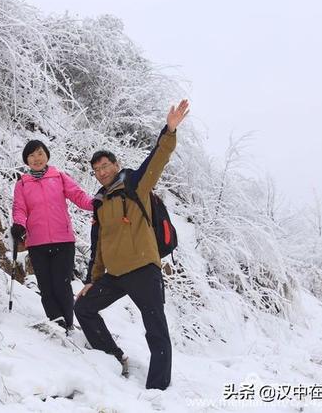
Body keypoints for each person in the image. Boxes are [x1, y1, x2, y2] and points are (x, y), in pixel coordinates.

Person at [74, 99, 189, 390]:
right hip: (115, 275)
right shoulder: (99, 203)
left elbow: (157, 158)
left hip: (143, 269)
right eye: (96, 169)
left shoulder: (136, 184)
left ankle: (157, 389)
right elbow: (98, 246)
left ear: (116, 165)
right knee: (84, 307)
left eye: (105, 165)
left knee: (156, 330)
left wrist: (170, 130)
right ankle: (113, 357)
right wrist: (91, 279)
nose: (101, 171)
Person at [11, 140, 94, 331]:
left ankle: (68, 324)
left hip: (63, 241)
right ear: (26, 160)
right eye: (31, 155)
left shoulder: (59, 177)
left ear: (46, 155)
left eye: (39, 153)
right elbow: (20, 209)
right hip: (37, 243)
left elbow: (79, 196)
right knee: (46, 287)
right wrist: (18, 225)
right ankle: (57, 323)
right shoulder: (22, 184)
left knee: (62, 284)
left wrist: (97, 203)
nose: (36, 158)